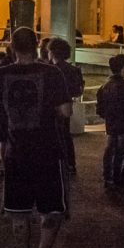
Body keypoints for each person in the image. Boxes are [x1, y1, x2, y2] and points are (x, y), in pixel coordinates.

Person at [0, 28, 72, 248]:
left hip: (16, 150)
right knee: (52, 209)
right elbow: (66, 111)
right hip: (48, 149)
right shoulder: (52, 72)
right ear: (37, 45)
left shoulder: (1, 74)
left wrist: (3, 136)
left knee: (18, 213)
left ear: (11, 46)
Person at [44, 38, 84, 175]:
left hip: (51, 107)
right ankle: (70, 163)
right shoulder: (72, 69)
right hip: (66, 105)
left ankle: (55, 163)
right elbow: (77, 90)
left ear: (52, 52)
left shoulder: (49, 70)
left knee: (52, 135)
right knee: (66, 135)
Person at [96, 54, 124, 188]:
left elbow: (100, 109)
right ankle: (117, 178)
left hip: (111, 122)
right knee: (121, 152)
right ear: (123, 68)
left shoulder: (104, 87)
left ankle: (108, 178)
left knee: (109, 150)